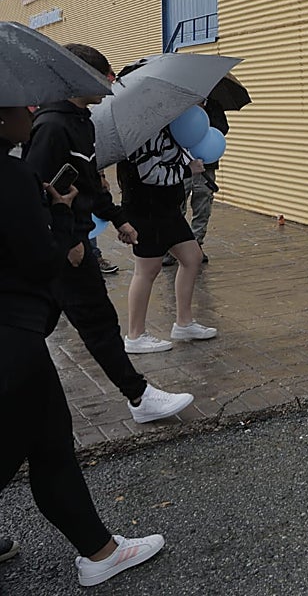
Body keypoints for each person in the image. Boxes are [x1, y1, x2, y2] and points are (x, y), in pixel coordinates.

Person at [1, 101, 167, 588]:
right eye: (15, 107)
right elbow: (39, 262)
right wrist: (59, 217)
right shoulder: (10, 176)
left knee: (45, 442)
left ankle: (100, 550)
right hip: (12, 335)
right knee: (42, 445)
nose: (26, 114)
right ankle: (101, 553)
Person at [23, 44, 193, 424]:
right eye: (104, 78)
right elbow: (38, 193)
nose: (110, 86)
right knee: (95, 323)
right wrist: (67, 242)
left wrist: (117, 219)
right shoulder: (52, 127)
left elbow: (88, 183)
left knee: (42, 323)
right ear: (76, 76)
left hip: (74, 241)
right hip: (67, 248)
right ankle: (139, 396)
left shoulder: (82, 122)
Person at [118, 126, 218, 352]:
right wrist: (186, 171)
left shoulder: (168, 130)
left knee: (192, 257)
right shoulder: (144, 133)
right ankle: (135, 336)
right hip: (147, 210)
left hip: (167, 209)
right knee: (147, 270)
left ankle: (184, 322)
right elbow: (149, 173)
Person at [165, 98, 227, 268]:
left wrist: (204, 116)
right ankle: (173, 247)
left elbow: (223, 129)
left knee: (203, 204)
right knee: (176, 204)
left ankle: (197, 243)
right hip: (181, 164)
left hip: (206, 164)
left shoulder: (214, 105)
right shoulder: (179, 103)